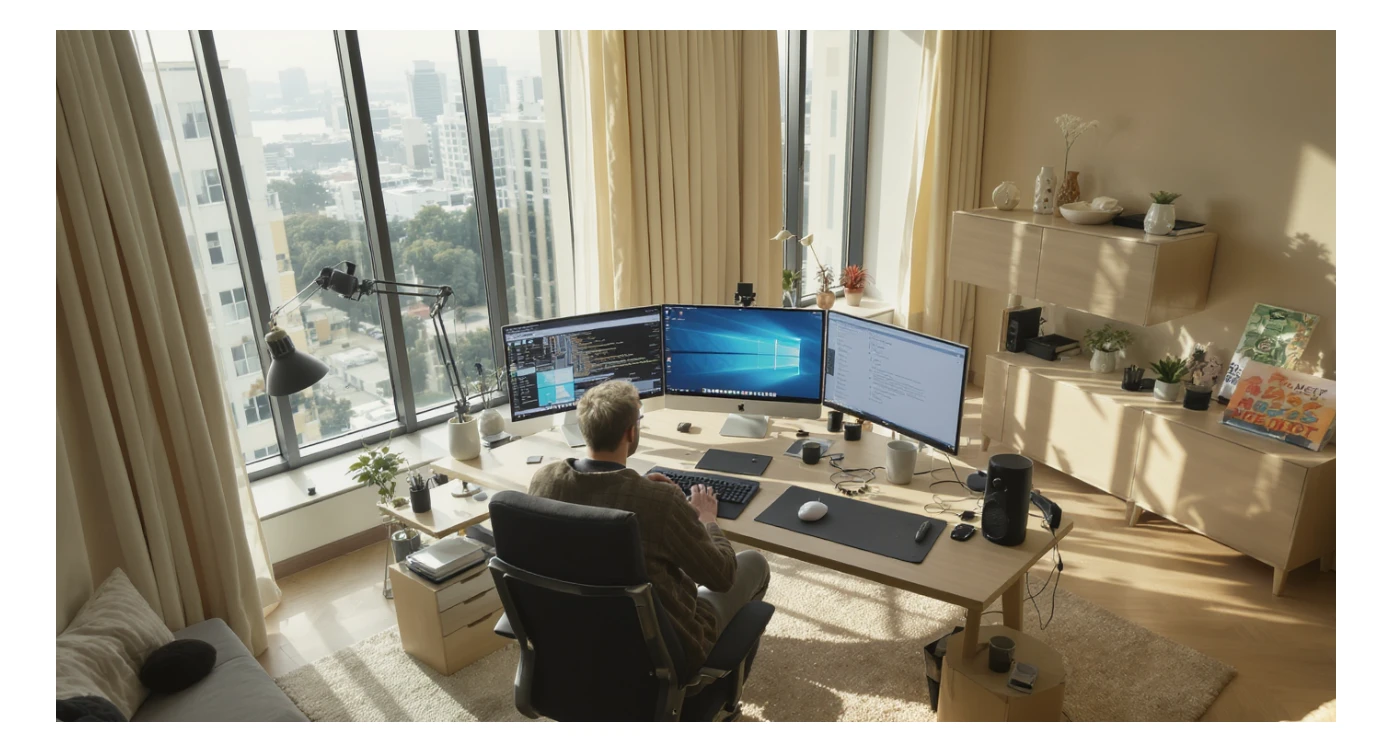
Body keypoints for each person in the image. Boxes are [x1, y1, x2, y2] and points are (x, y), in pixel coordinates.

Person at [528, 379, 770, 676]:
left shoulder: (544, 480)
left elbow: (594, 497)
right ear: (631, 432)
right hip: (667, 649)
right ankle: (718, 684)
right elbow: (722, 576)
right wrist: (707, 520)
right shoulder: (660, 503)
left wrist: (637, 486)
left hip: (580, 635)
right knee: (754, 563)